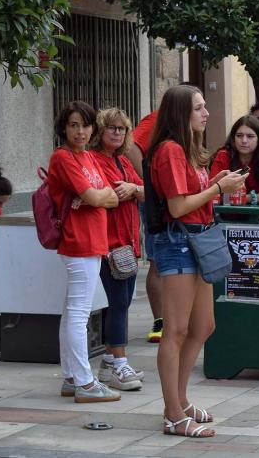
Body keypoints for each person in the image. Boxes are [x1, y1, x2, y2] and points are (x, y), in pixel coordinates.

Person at [148, 85, 247, 437]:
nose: (206, 114)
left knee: (203, 326)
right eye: (199, 108)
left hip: (198, 239)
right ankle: (173, 413)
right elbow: (177, 207)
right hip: (178, 243)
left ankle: (180, 399)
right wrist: (218, 190)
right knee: (175, 330)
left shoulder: (187, 149)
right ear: (181, 114)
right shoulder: (170, 150)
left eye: (205, 107)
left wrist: (216, 182)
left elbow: (191, 196)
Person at [48, 101, 120, 403]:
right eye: (74, 124)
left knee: (72, 312)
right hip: (79, 241)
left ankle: (71, 378)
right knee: (79, 314)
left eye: (86, 125)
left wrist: (95, 198)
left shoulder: (88, 157)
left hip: (92, 241)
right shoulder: (63, 158)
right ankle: (85, 384)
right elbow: (95, 194)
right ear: (64, 127)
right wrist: (94, 197)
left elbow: (111, 197)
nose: (81, 131)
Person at [89, 108, 147, 391]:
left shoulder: (123, 161)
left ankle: (112, 361)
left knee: (121, 303)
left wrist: (133, 190)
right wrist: (127, 191)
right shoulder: (94, 160)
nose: (116, 133)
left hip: (128, 242)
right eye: (111, 128)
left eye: (122, 129)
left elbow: (146, 191)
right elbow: (104, 195)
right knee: (118, 304)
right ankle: (119, 363)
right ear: (100, 131)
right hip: (108, 243)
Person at [127, 110, 163, 343]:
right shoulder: (158, 118)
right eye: (198, 106)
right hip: (156, 202)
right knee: (157, 261)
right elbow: (131, 147)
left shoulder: (190, 128)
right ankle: (160, 321)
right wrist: (147, 185)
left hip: (177, 200)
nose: (204, 112)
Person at [209, 116, 259, 206]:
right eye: (239, 136)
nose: (244, 141)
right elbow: (212, 195)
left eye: (250, 136)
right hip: (225, 216)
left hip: (258, 217)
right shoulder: (223, 156)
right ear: (233, 138)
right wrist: (253, 198)